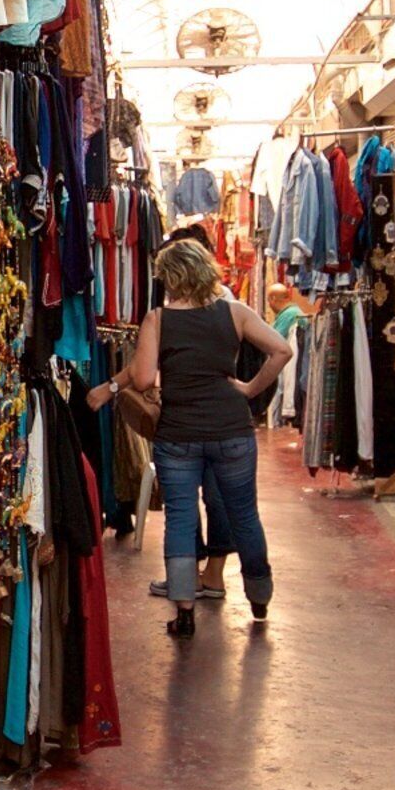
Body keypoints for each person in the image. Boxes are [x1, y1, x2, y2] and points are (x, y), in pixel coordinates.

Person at [112, 237, 285, 637]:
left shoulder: (158, 319)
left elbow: (140, 379)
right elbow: (280, 351)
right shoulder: (235, 313)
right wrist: (248, 388)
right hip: (232, 430)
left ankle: (185, 610)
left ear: (169, 277)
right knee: (244, 515)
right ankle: (259, 597)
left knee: (181, 517)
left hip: (178, 434)